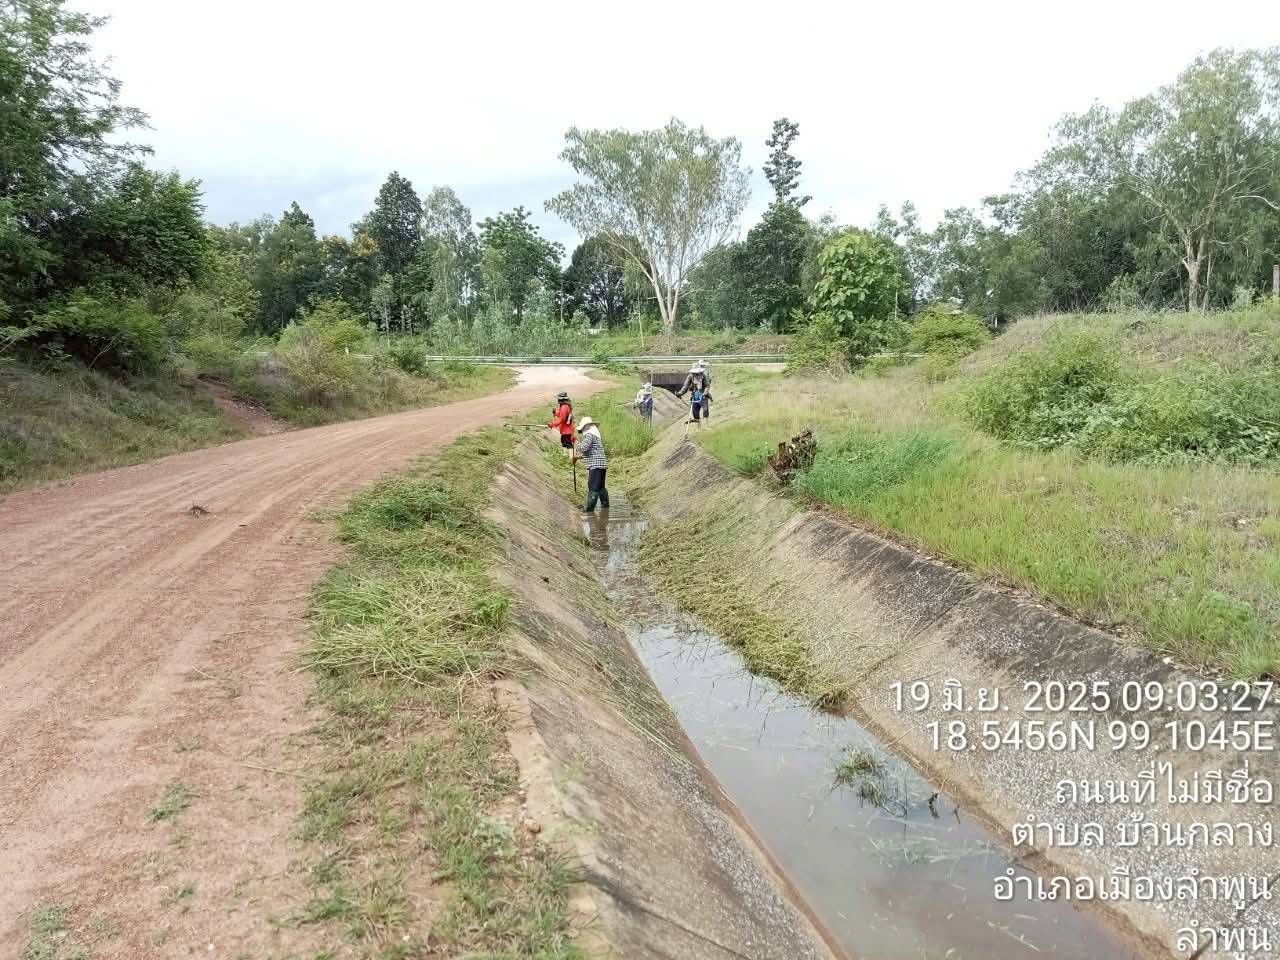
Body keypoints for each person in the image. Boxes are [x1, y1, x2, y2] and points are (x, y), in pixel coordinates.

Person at [572, 416, 609, 513]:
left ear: (585, 427)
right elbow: (592, 452)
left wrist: (575, 441)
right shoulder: (595, 435)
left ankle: (589, 508)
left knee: (593, 487)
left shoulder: (589, 435)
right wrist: (577, 457)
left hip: (596, 465)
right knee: (600, 487)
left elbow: (583, 448)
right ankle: (605, 506)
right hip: (601, 464)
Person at [547, 391, 575, 455]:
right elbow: (560, 414)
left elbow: (561, 419)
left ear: (561, 400)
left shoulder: (564, 407)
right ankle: (565, 455)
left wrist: (552, 424)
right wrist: (555, 412)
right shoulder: (564, 406)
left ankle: (571, 457)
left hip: (566, 429)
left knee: (568, 443)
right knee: (563, 442)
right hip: (566, 429)